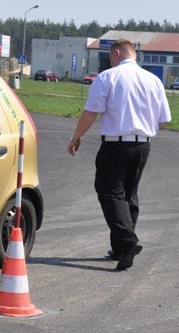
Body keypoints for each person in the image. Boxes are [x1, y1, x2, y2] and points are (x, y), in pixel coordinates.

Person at [66, 39, 172, 271]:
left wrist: (76, 138)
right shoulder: (154, 80)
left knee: (109, 191)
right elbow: (164, 121)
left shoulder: (108, 77)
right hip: (143, 145)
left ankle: (128, 242)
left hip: (116, 145)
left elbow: (90, 113)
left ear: (117, 53)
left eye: (109, 56)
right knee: (129, 195)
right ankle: (120, 249)